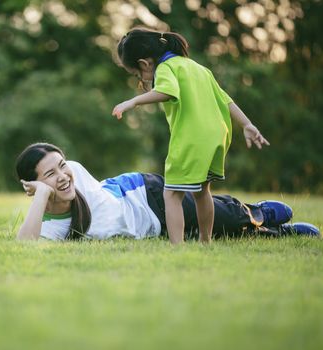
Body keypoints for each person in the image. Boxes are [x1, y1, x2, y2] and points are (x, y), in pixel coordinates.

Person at [111, 28, 270, 245]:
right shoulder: (197, 67)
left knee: (171, 194)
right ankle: (205, 242)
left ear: (145, 63)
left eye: (137, 74)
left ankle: (178, 247)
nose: (140, 79)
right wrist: (247, 124)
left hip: (191, 138)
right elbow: (225, 99)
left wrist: (133, 101)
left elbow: (167, 91)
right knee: (202, 191)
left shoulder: (166, 68)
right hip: (216, 136)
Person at [15, 143, 320, 241]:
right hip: (155, 227)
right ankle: (277, 232)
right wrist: (42, 195)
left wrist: (49, 183)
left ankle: (257, 212)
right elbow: (24, 245)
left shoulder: (77, 172)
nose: (63, 177)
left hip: (145, 195)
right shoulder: (51, 226)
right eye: (50, 175)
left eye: (62, 165)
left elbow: (71, 176)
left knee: (217, 217)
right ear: (35, 184)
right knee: (211, 234)